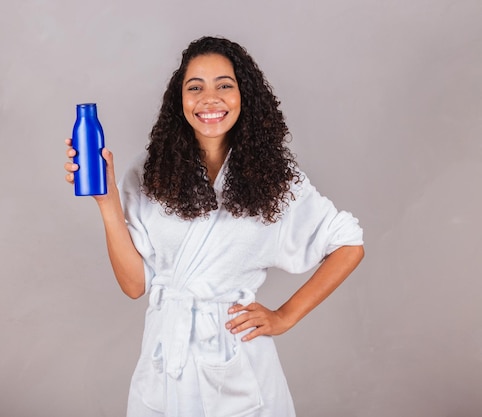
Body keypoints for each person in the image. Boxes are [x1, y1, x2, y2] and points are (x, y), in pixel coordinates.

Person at [64, 36, 364, 417]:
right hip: (164, 361)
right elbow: (135, 285)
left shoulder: (276, 180)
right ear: (181, 101)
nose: (210, 99)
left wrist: (284, 316)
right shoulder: (149, 171)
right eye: (195, 88)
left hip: (235, 358)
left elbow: (349, 244)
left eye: (224, 85)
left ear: (245, 97)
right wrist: (106, 201)